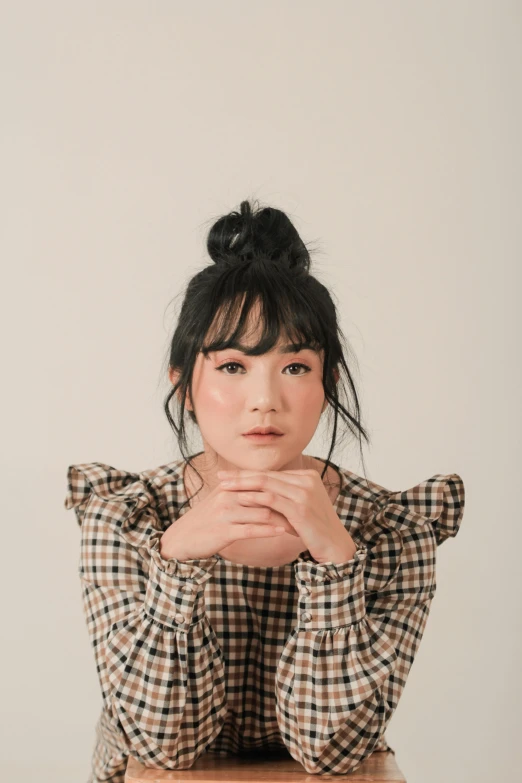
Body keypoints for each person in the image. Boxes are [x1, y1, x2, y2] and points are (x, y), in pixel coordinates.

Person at [65, 199, 465, 782]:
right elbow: (161, 747)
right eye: (232, 366)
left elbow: (328, 754)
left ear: (326, 382)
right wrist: (175, 560)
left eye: (295, 367)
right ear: (183, 385)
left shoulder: (390, 529)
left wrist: (336, 561)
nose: (265, 400)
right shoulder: (125, 519)